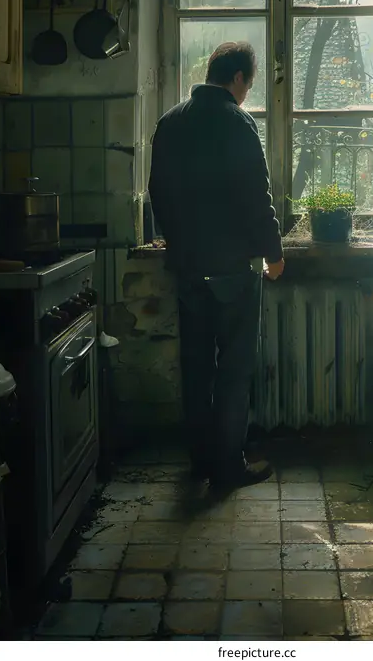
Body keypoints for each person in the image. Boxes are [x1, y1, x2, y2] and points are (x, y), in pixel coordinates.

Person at [148, 41, 284, 490]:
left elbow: (157, 193)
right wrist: (274, 252)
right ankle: (228, 467)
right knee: (233, 369)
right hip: (231, 270)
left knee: (196, 367)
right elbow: (255, 196)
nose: (248, 93)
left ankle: (201, 461)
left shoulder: (170, 121)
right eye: (249, 83)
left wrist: (179, 243)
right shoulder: (238, 122)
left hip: (188, 267)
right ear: (238, 78)